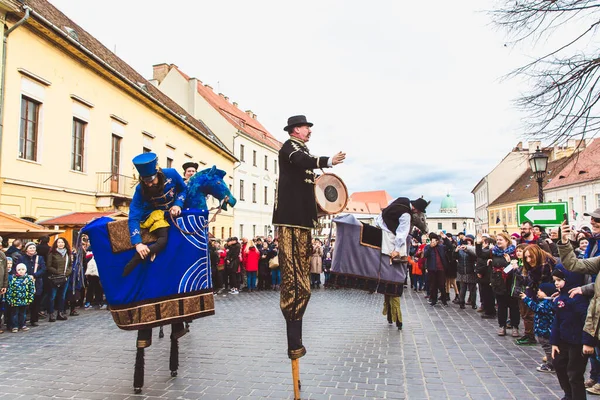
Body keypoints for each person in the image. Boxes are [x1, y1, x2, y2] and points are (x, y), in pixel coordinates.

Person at [272, 114, 346, 361]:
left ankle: (296, 337)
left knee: (302, 282)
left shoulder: (301, 150)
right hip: (290, 221)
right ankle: (293, 338)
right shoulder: (290, 148)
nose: (309, 130)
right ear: (295, 130)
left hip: (303, 222)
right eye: (306, 127)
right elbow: (302, 160)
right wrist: (328, 161)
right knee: (294, 282)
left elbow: (310, 191)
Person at [124, 152, 186, 277]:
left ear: (157, 172)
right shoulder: (140, 189)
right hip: (156, 216)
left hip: (175, 211)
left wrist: (178, 204)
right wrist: (138, 243)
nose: (149, 184)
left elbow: (183, 189)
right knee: (163, 240)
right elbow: (134, 215)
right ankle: (141, 257)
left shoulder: (172, 174)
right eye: (145, 181)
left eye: (151, 180)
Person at [550, 266, 594, 400]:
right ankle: (568, 394)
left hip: (578, 342)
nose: (556, 283)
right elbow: (556, 321)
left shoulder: (579, 300)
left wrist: (588, 342)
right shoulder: (560, 298)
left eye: (559, 280)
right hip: (564, 340)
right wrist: (554, 342)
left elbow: (588, 322)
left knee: (575, 374)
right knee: (559, 365)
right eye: (555, 280)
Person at [489, 232, 520, 337]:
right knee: (501, 306)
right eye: (497, 240)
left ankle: (515, 326)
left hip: (511, 282)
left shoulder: (513, 253)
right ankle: (502, 326)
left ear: (507, 241)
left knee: (513, 306)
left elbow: (511, 269)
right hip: (499, 282)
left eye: (500, 240)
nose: (498, 241)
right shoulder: (494, 252)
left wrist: (508, 262)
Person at [520, 286, 556, 373]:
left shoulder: (547, 303)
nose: (538, 292)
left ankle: (551, 365)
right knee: (547, 347)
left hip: (545, 331)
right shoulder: (545, 302)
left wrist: (526, 299)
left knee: (548, 348)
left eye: (541, 291)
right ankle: (550, 362)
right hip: (543, 330)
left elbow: (536, 308)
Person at [16, 242, 45, 327]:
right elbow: (18, 268)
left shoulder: (40, 258)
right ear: (26, 249)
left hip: (37, 282)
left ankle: (34, 319)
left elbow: (43, 269)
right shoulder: (22, 258)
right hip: (24, 282)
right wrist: (26, 275)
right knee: (25, 301)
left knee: (36, 301)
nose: (32, 249)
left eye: (33, 248)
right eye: (30, 248)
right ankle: (22, 320)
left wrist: (35, 275)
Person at [46, 238, 73, 322]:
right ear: (56, 244)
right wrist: (58, 272)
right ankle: (51, 314)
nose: (60, 244)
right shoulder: (52, 253)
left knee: (62, 296)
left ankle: (60, 313)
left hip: (65, 277)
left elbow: (70, 265)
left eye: (62, 242)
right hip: (55, 277)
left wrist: (67, 273)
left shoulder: (68, 253)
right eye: (59, 242)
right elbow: (49, 266)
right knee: (52, 296)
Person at [6, 263, 35, 332]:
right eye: (19, 270)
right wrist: (10, 300)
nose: (21, 271)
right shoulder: (13, 279)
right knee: (14, 314)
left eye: (23, 269)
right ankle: (15, 326)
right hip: (15, 300)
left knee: (23, 314)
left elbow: (31, 290)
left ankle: (22, 325)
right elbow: (10, 290)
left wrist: (30, 299)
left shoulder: (28, 279)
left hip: (24, 300)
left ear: (25, 270)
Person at [424, 232, 448, 307]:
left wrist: (445, 238)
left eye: (435, 241)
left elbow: (449, 247)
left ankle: (444, 300)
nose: (434, 242)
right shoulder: (428, 247)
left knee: (442, 285)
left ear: (437, 241)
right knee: (433, 285)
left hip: (441, 268)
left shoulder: (441, 247)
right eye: (432, 241)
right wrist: (431, 247)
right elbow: (425, 255)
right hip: (432, 268)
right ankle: (434, 300)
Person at [475, 234, 496, 319]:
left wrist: (479, 271)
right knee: (486, 295)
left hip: (487, 277)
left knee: (488, 295)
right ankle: (489, 310)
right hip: (486, 276)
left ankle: (490, 311)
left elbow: (482, 261)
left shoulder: (490, 251)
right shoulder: (488, 251)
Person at [455, 235, 477, 310]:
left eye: (469, 243)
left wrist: (468, 250)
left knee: (472, 289)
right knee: (462, 288)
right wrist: (456, 251)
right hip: (461, 271)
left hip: (471, 271)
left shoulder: (472, 250)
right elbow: (454, 257)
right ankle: (461, 303)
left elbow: (475, 257)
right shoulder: (460, 251)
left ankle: (473, 303)